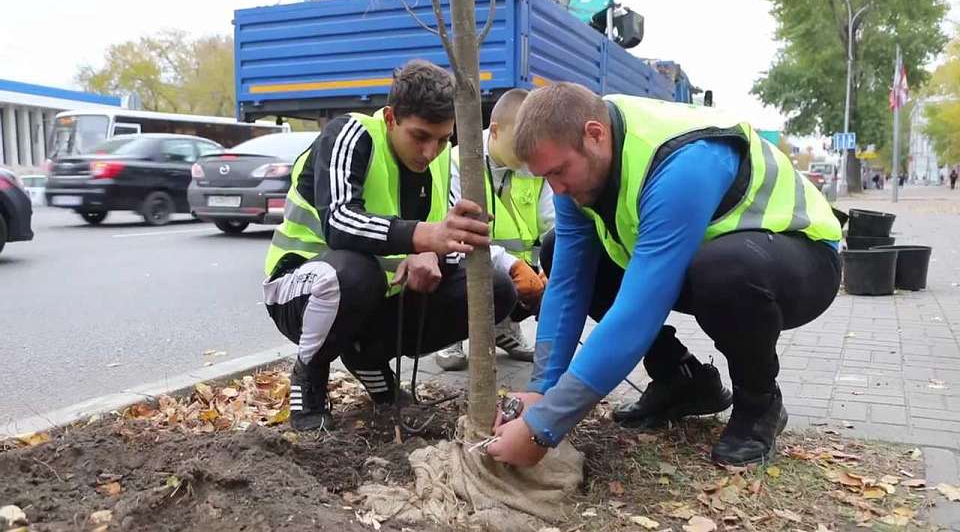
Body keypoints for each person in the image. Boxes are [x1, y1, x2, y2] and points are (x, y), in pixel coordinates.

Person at [485, 83, 842, 467]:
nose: (556, 189)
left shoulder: (680, 164)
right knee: (560, 248)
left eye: (559, 171)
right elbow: (569, 285)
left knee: (724, 272)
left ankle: (760, 404)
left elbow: (639, 314)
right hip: (702, 260)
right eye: (545, 178)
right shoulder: (583, 150)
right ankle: (683, 382)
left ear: (594, 134)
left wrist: (543, 427)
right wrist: (541, 389)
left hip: (800, 258)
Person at [262, 60, 516, 431]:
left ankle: (368, 357)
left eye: (443, 139)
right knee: (355, 272)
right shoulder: (351, 133)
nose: (431, 151)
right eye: (420, 136)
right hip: (300, 290)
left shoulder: (439, 161)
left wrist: (428, 253)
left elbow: (433, 230)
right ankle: (310, 375)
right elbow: (338, 222)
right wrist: (425, 238)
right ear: (391, 118)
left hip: (375, 296)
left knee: (494, 289)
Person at [436, 89, 555, 370]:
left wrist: (552, 267)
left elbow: (554, 223)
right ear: (496, 131)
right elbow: (455, 238)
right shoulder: (457, 163)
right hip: (467, 262)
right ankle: (451, 335)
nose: (528, 157)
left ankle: (503, 328)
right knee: (458, 266)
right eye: (520, 145)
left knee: (552, 281)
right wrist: (512, 264)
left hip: (518, 269)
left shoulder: (536, 168)